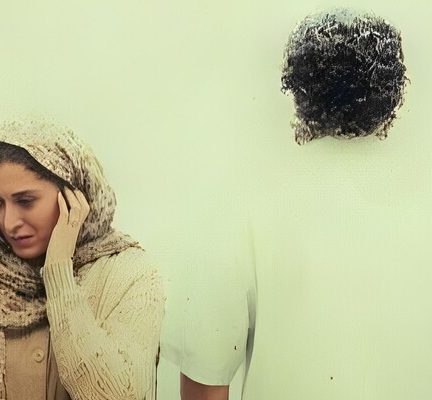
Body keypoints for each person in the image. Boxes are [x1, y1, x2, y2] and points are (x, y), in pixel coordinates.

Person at [160, 8, 422, 400]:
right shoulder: (421, 203)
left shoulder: (245, 198)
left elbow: (206, 375)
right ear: (392, 91)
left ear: (299, 88)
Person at [0, 120, 164, 400]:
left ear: (75, 196)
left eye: (26, 201)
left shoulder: (130, 273)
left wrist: (59, 273)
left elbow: (117, 396)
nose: (9, 222)